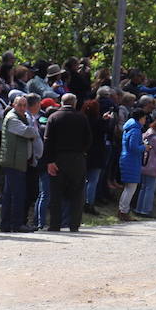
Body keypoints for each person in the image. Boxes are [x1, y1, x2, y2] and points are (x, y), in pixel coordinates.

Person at [45, 93, 91, 232]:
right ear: (75, 102)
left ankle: (55, 224)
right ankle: (74, 224)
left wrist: (49, 161)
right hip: (77, 158)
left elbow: (48, 140)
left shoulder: (54, 117)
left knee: (56, 193)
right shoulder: (82, 117)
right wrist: (81, 151)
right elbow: (88, 139)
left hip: (58, 158)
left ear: (61, 102)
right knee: (77, 193)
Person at [0, 94, 38, 233]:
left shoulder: (21, 117)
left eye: (24, 105)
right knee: (17, 195)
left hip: (17, 161)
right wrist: (34, 128)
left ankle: (7, 225)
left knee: (10, 195)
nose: (22, 108)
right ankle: (16, 224)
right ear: (14, 105)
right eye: (19, 105)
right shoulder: (13, 118)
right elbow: (29, 131)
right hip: (14, 162)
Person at [115, 109, 148, 221]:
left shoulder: (129, 127)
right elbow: (133, 147)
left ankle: (122, 210)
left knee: (128, 187)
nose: (145, 120)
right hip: (131, 160)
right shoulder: (135, 130)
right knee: (131, 188)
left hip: (127, 159)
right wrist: (145, 147)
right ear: (140, 118)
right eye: (144, 118)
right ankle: (123, 211)